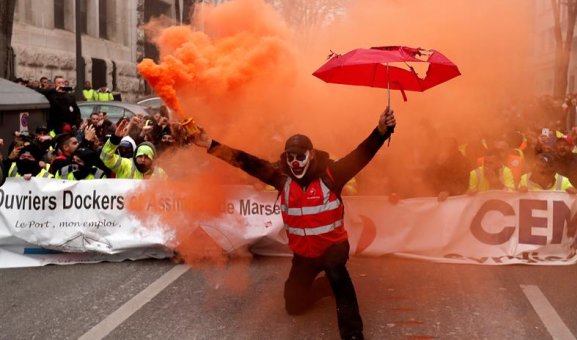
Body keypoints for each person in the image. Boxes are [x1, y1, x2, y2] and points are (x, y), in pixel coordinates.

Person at [191, 107, 396, 340]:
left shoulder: (332, 175)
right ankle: (323, 288)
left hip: (333, 247)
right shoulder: (281, 178)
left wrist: (381, 131)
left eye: (300, 156)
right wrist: (210, 144)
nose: (295, 162)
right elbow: (245, 161)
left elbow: (361, 155)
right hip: (304, 255)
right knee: (293, 305)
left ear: (311, 154)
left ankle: (352, 334)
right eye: (290, 157)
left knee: (337, 274)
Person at [99, 119, 166, 179]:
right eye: (140, 156)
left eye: (146, 157)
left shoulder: (160, 174)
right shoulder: (125, 165)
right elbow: (105, 157)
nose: (142, 160)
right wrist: (115, 138)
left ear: (152, 159)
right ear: (135, 156)